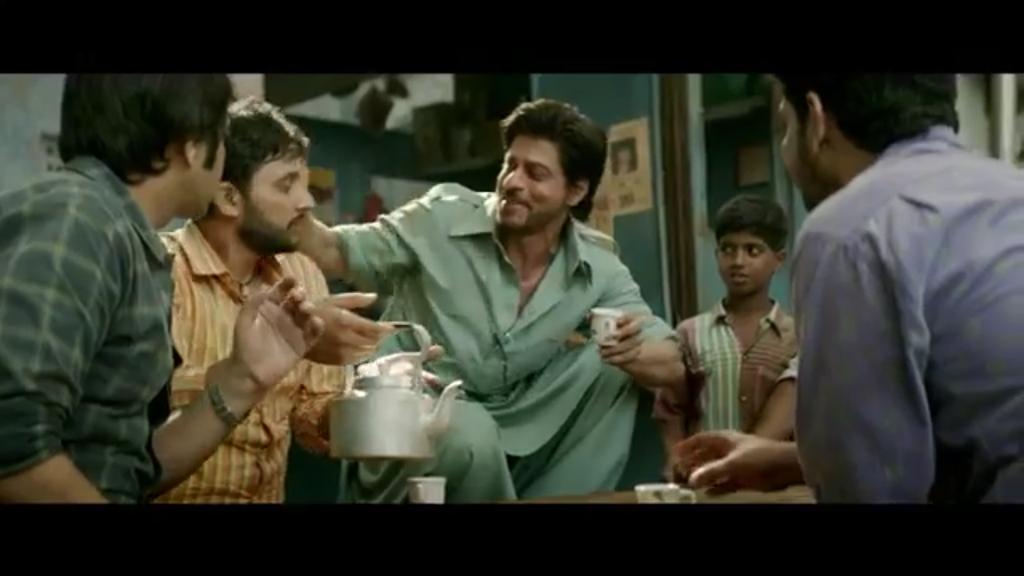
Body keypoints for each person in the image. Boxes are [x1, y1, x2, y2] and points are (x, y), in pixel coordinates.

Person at [295, 99, 683, 502]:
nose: (513, 181)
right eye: (510, 165)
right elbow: (334, 250)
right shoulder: (441, 216)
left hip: (518, 428)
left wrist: (632, 351)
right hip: (420, 414)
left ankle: (560, 499)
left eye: (535, 174)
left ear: (575, 191)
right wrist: (289, 205)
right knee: (471, 430)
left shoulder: (597, 265)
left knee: (613, 367)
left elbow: (673, 360)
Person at [681, 74, 1024, 503]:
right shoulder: (1011, 190)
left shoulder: (849, 231)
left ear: (816, 120)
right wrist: (787, 462)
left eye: (786, 126)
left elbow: (868, 487)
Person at [0, 75, 325, 503]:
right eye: (220, 136)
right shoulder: (77, 219)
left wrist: (241, 381)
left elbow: (130, 471)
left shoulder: (129, 240)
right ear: (192, 144)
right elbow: (15, 449)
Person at [157, 97, 395, 503]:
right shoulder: (162, 273)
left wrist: (376, 397)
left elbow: (309, 416)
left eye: (304, 182)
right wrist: (244, 373)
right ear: (229, 198)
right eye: (286, 185)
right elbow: (140, 416)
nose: (307, 201)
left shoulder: (301, 273)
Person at [653, 194, 798, 482]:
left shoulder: (796, 335)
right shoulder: (691, 333)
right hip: (705, 479)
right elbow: (670, 408)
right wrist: (675, 461)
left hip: (774, 484)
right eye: (728, 250)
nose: (738, 261)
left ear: (778, 260)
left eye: (753, 251)